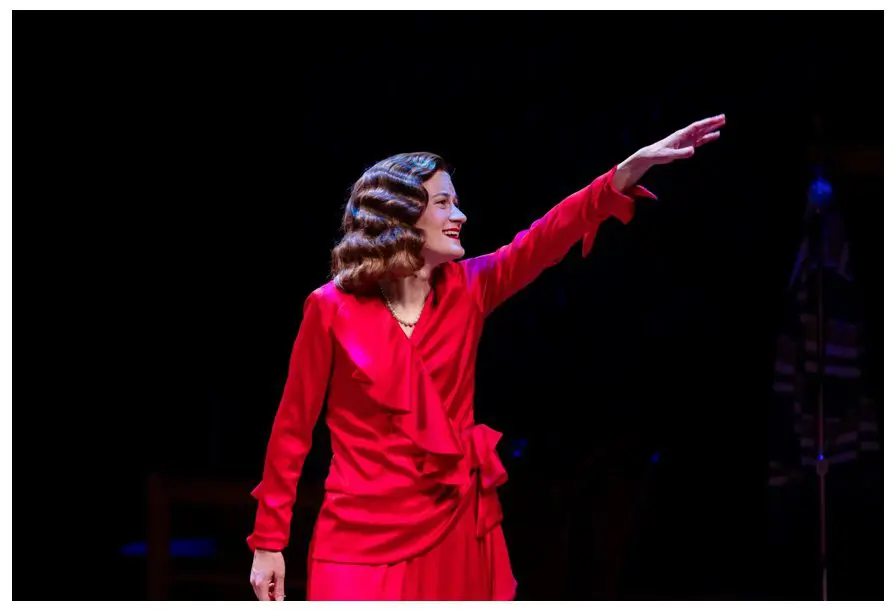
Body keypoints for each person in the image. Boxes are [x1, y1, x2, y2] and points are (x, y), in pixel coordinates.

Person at [247, 114, 726, 601]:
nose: (461, 215)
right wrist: (268, 543)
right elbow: (292, 431)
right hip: (356, 535)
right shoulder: (331, 308)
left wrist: (624, 172)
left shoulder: (469, 288)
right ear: (399, 216)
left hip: (451, 525)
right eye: (443, 203)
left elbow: (543, 239)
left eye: (456, 202)